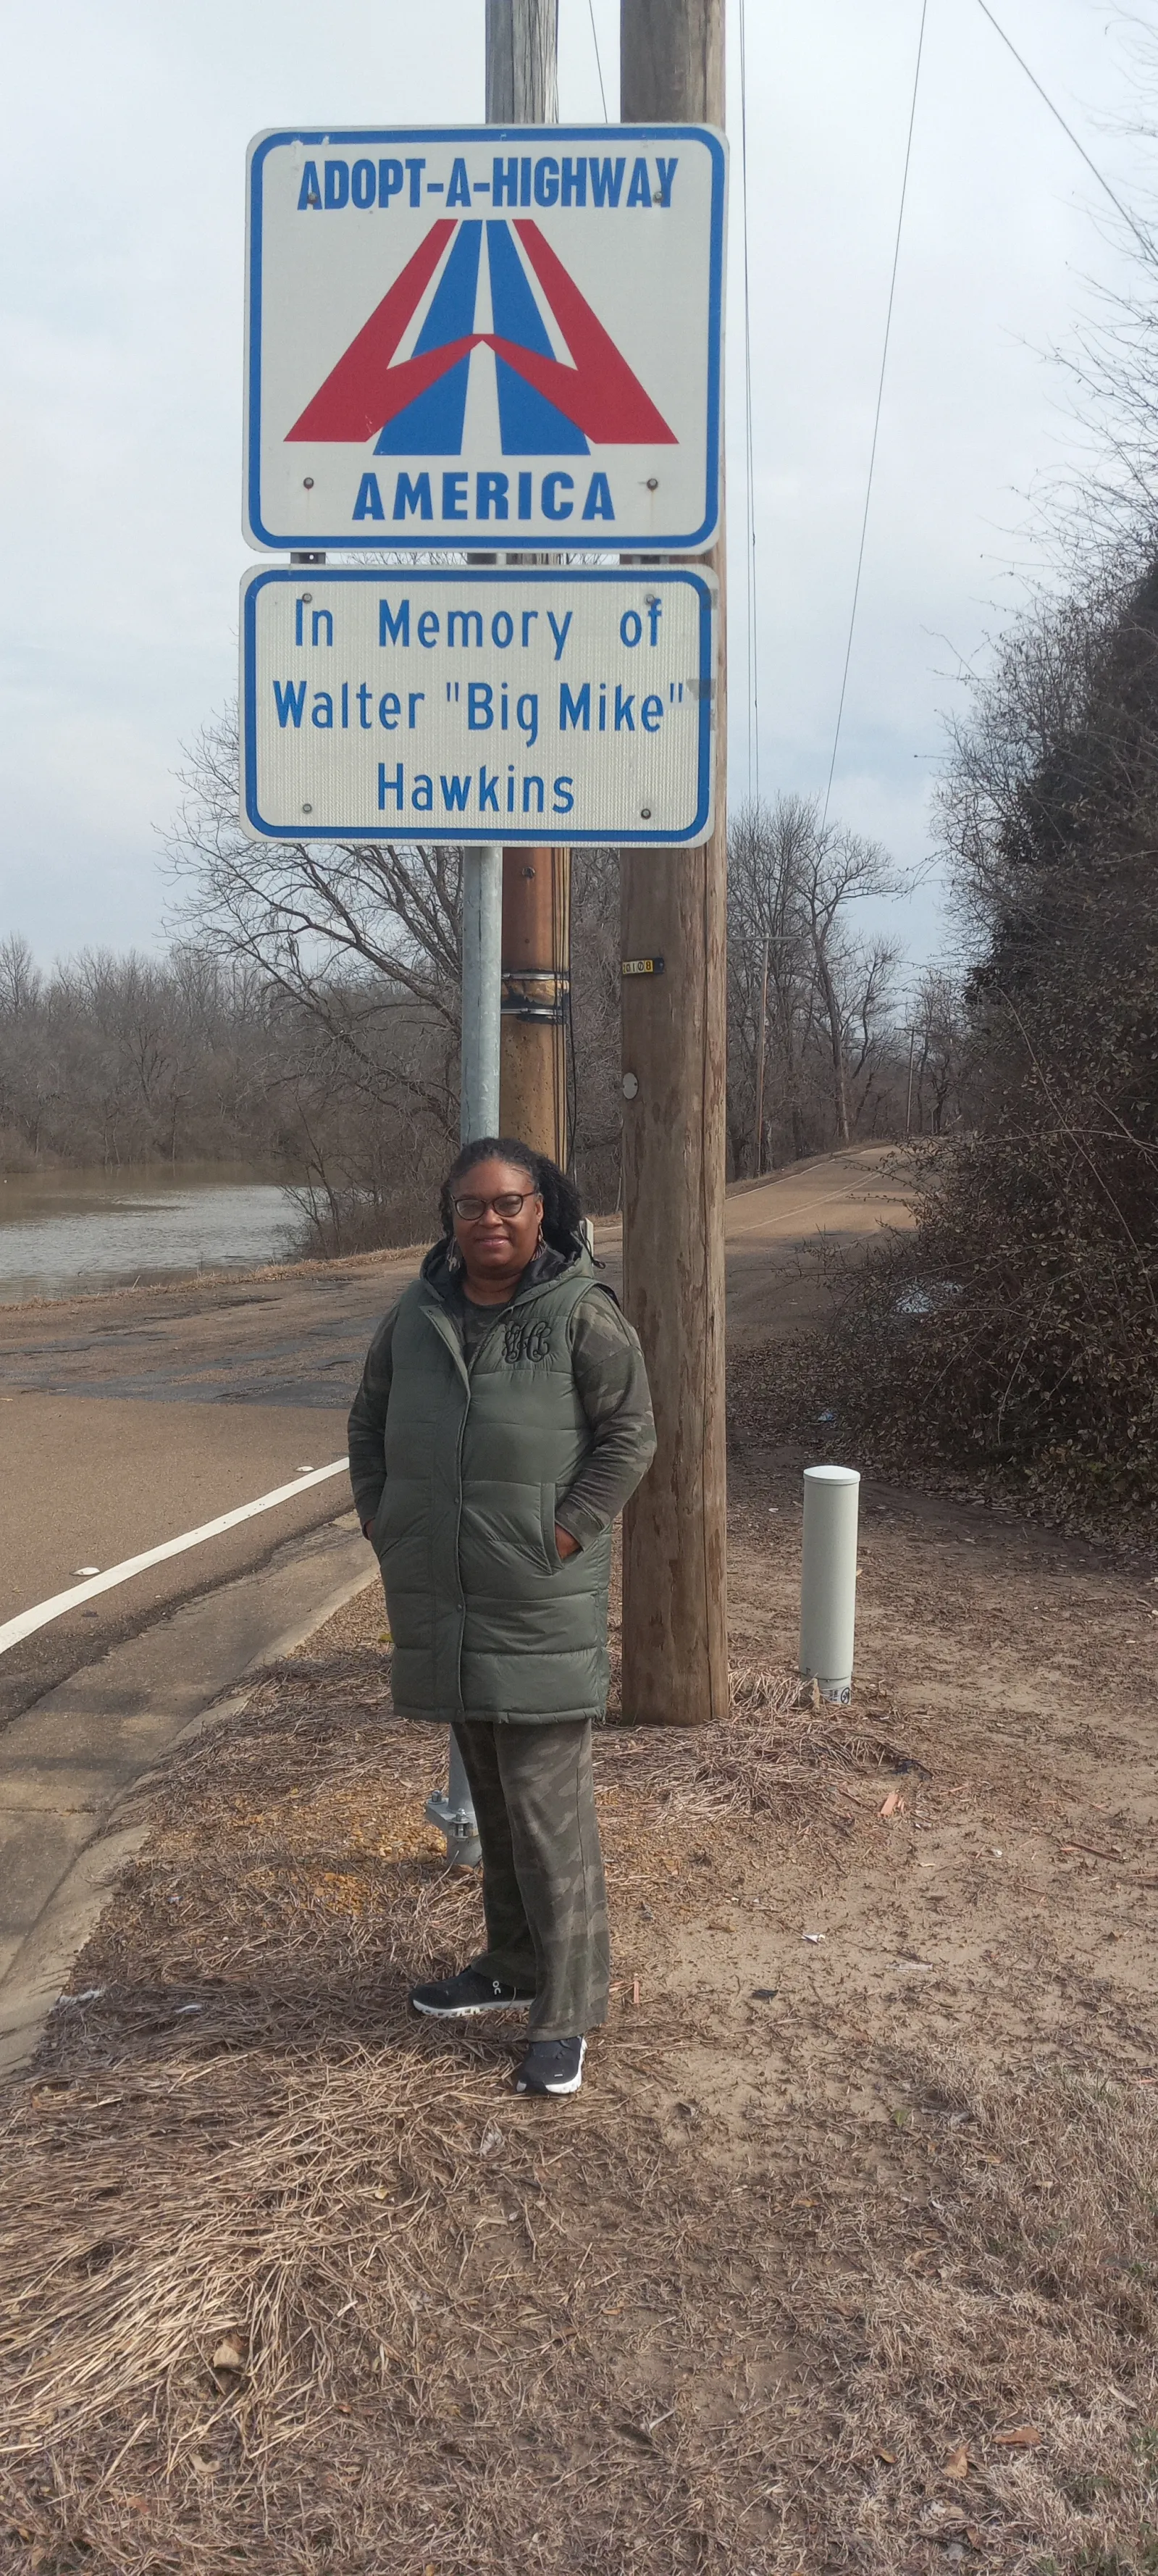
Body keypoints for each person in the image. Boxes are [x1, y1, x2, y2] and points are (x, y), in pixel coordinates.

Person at [348, 1139, 656, 2099]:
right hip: (444, 1594)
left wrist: (562, 1533)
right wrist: (387, 1524)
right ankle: (511, 1964)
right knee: (491, 1792)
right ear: (449, 1217)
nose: (490, 1221)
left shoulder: (580, 1315)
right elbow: (368, 1423)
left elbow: (630, 1435)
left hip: (535, 1599)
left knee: (543, 1808)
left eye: (509, 1204)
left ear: (542, 1212)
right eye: (471, 1206)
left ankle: (567, 2010)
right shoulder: (416, 1313)